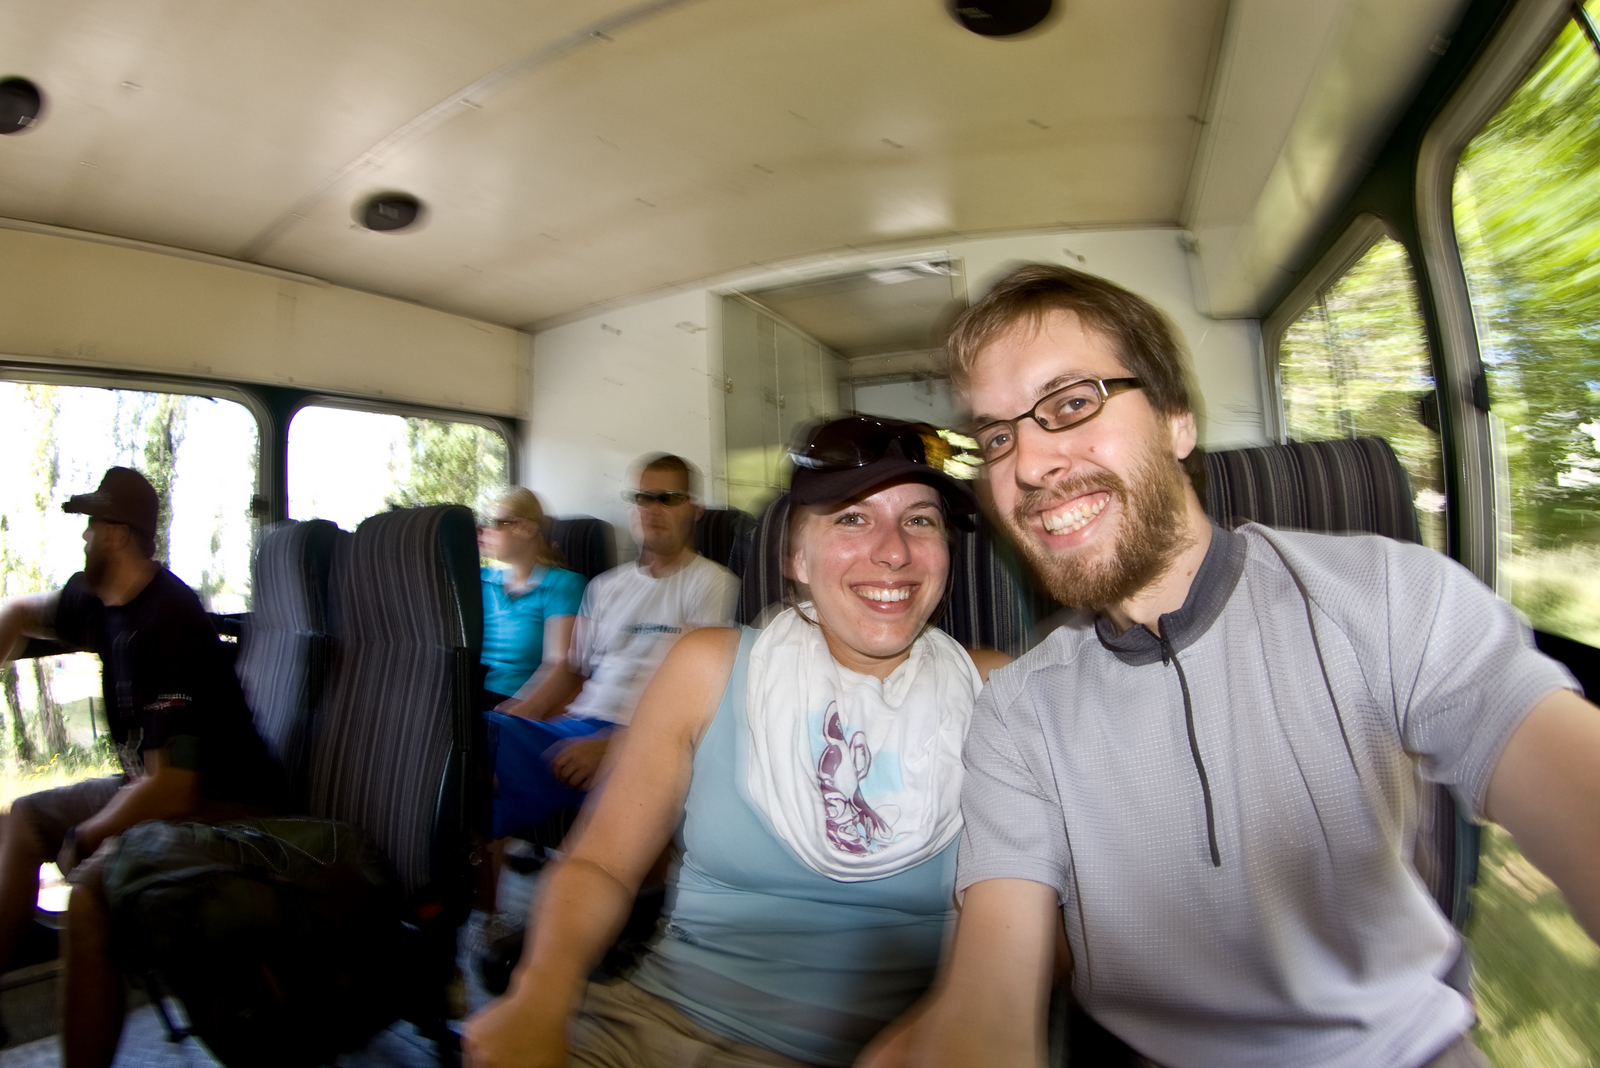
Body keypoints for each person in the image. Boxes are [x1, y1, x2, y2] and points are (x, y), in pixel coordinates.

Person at [891, 264, 1600, 1068]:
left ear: (1177, 421)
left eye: (1073, 403)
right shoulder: (1017, 711)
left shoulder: (1387, 597)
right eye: (996, 437)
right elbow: (987, 1005)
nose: (1027, 465)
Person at [463, 416, 1009, 1068]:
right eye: (852, 519)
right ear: (795, 559)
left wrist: (947, 1026)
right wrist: (538, 995)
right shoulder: (708, 667)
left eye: (920, 520)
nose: (894, 551)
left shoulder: (996, 694)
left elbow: (1047, 930)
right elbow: (600, 863)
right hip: (651, 1022)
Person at [0, 466, 282, 1067]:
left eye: (91, 527)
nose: (84, 538)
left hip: (223, 801)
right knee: (23, 820)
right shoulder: (100, 602)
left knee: (88, 898)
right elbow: (20, 611)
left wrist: (89, 834)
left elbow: (173, 789)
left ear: (116, 534)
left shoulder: (167, 621)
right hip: (152, 784)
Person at [485, 454, 738, 839]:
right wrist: (525, 717)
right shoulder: (603, 587)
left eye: (668, 498)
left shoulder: (713, 584)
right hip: (578, 724)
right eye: (643, 498)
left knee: (475, 774)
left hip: (645, 737)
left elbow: (698, 694)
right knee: (468, 741)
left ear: (695, 510)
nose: (652, 509)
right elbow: (572, 674)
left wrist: (613, 747)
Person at [478, 487, 586, 710]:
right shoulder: (482, 580)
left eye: (497, 523)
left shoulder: (562, 585)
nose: (486, 531)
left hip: (512, 701)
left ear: (528, 528)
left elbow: (560, 664)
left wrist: (522, 710)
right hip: (466, 696)